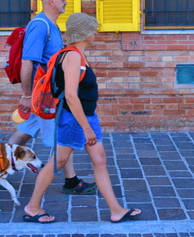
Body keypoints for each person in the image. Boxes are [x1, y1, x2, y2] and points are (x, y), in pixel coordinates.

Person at [23, 12, 142, 224]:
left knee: (100, 159)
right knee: (57, 162)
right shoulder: (72, 56)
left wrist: (89, 122)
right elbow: (70, 95)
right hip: (74, 119)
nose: (95, 32)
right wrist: (86, 128)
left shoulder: (77, 53)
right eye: (92, 29)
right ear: (84, 33)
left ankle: (116, 210)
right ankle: (32, 207)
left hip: (86, 116)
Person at [8, 0, 97, 195]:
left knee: (23, 133)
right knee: (61, 136)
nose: (66, 2)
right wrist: (26, 96)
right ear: (51, 1)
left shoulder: (51, 26)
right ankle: (71, 181)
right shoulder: (40, 26)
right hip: (45, 97)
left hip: (43, 94)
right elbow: (28, 62)